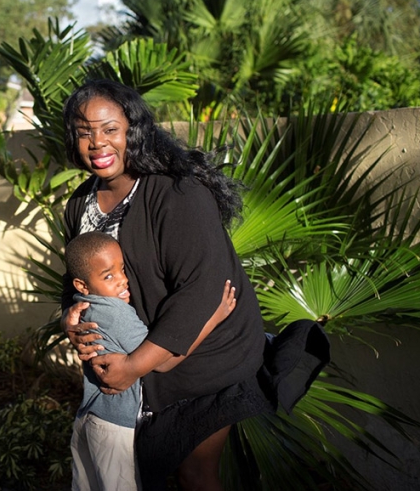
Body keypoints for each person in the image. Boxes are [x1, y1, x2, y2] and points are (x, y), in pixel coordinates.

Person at [59, 79, 274, 491]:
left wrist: (135, 366)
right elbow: (75, 281)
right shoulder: (78, 204)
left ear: (133, 131)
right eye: (85, 132)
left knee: (194, 472)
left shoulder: (177, 192)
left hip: (204, 357)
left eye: (110, 129)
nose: (98, 143)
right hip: (138, 365)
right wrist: (70, 318)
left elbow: (203, 287)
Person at [65, 231, 236, 491]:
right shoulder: (115, 313)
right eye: (108, 276)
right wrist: (214, 318)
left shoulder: (83, 305)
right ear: (82, 285)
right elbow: (163, 359)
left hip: (89, 419)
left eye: (122, 269)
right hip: (113, 425)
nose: (123, 281)